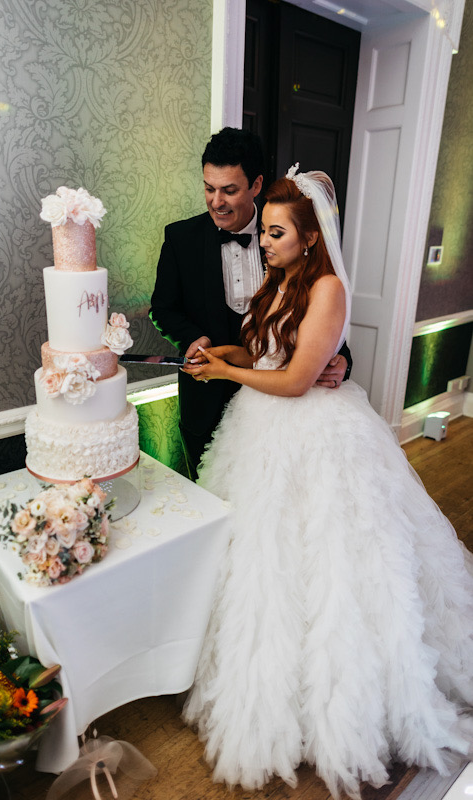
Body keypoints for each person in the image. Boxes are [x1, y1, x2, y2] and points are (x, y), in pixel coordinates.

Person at [181, 166, 473, 799]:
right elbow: (260, 352)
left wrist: (231, 376)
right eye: (266, 233)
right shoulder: (278, 280)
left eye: (278, 233)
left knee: (332, 561)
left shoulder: (329, 290)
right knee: (257, 558)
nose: (266, 242)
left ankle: (336, 700)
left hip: (315, 434)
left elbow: (293, 381)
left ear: (311, 237)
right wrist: (215, 358)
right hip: (258, 434)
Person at [149, 128, 351, 479]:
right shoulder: (180, 238)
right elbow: (162, 309)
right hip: (207, 400)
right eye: (209, 188)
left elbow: (319, 315)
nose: (216, 201)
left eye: (229, 190)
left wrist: (342, 360)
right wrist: (194, 340)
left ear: (256, 184)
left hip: (289, 416)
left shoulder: (287, 240)